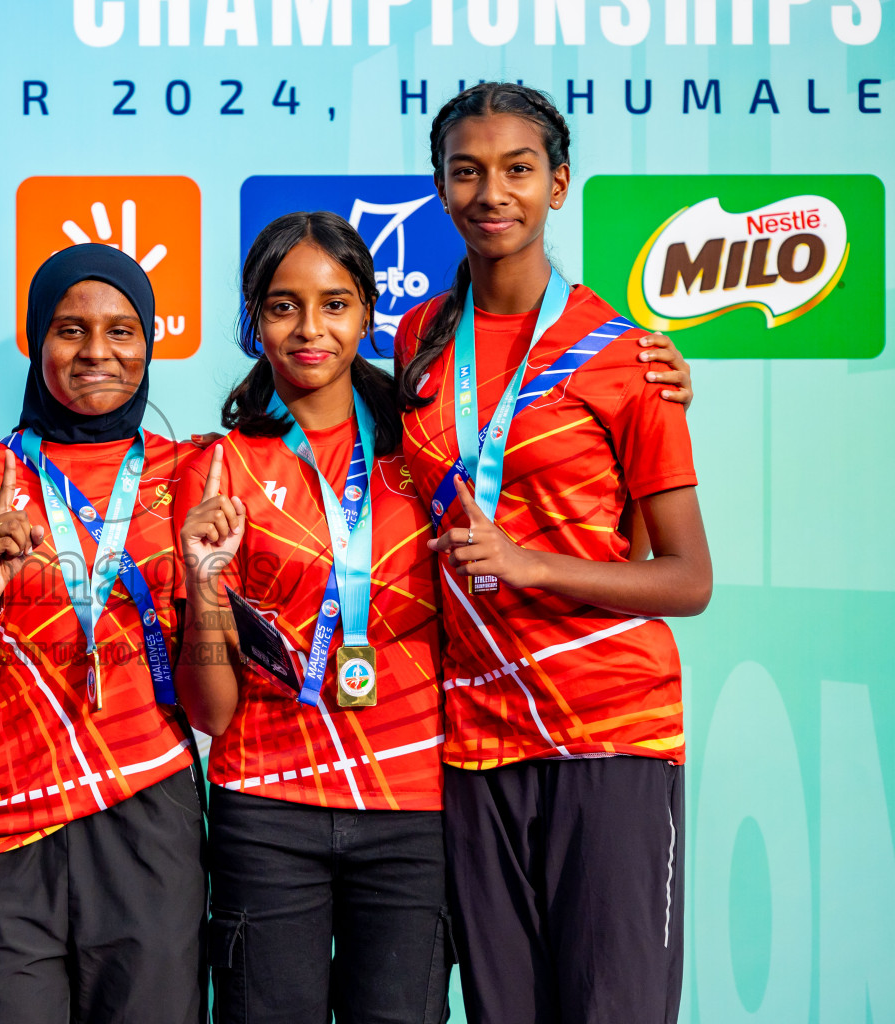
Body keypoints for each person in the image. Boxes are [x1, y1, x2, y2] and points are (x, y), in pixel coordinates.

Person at [395, 82, 713, 1024]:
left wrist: (533, 564)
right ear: (442, 190)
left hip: (608, 732)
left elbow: (687, 578)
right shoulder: (420, 339)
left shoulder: (627, 354)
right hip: (476, 741)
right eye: (467, 171)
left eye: (518, 169)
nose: (493, 192)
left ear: (559, 185)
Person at [175, 211, 450, 1024]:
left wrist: (652, 391)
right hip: (266, 810)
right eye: (282, 305)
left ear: (369, 312)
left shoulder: (430, 453)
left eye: (334, 304)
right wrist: (202, 586)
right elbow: (211, 712)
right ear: (253, 322)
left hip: (411, 812)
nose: (310, 329)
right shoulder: (218, 469)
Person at [0, 243, 205, 1024]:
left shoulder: (192, 473)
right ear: (36, 339)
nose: (97, 352)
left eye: (122, 330)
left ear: (150, 341)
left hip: (145, 807)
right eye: (70, 329)